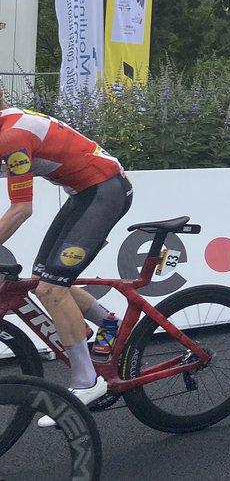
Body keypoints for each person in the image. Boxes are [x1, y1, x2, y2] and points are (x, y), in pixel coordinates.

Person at [0, 105, 134, 415]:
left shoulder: (11, 137)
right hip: (84, 192)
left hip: (105, 191)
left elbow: (21, 209)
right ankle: (107, 323)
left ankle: (88, 382)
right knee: (41, 278)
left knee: (51, 290)